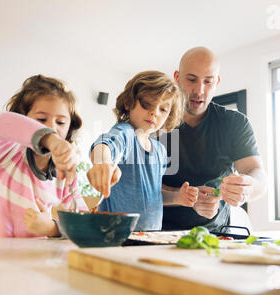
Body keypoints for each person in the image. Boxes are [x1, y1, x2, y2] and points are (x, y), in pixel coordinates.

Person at [161, 47, 267, 232]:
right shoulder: (155, 121)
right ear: (176, 78)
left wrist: (247, 188)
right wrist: (183, 196)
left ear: (217, 82)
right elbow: (142, 184)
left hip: (215, 237)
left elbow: (256, 173)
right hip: (156, 234)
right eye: (191, 79)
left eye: (208, 81)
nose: (199, 90)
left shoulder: (235, 123)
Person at [0, 75, 88, 238]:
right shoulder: (9, 151)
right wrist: (51, 140)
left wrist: (52, 228)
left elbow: (83, 223)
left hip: (32, 256)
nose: (51, 127)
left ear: (70, 127)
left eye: (60, 122)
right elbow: (2, 122)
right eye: (41, 119)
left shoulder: (64, 173)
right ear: (23, 118)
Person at [87, 70, 199, 231]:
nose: (154, 113)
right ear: (128, 103)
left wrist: (176, 197)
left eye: (163, 109)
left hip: (151, 236)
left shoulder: (160, 150)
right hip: (116, 235)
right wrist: (102, 163)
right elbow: (104, 145)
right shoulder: (125, 133)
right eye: (148, 104)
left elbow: (153, 193)